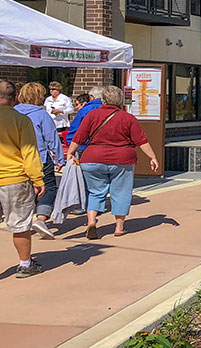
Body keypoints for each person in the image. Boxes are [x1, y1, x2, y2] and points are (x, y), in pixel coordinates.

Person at [66, 85, 158, 238]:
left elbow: (79, 137)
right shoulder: (128, 118)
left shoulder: (92, 115)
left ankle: (91, 223)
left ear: (103, 100)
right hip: (122, 160)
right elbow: (141, 141)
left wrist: (70, 152)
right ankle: (119, 227)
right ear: (120, 101)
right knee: (121, 192)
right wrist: (152, 157)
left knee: (95, 192)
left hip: (92, 158)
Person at [0, 80, 45, 277]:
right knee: (20, 225)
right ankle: (25, 264)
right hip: (15, 179)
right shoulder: (20, 120)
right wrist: (38, 179)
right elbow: (30, 152)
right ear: (15, 98)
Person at [14, 82, 63, 239]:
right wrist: (59, 158)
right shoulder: (42, 115)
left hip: (16, 159)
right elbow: (52, 139)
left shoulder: (13, 113)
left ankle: (23, 221)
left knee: (24, 191)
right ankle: (41, 218)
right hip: (40, 158)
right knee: (49, 188)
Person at [43, 81, 75, 147]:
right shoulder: (48, 99)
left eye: (53, 89)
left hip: (61, 123)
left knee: (60, 143)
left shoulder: (65, 99)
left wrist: (61, 111)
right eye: (50, 89)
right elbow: (45, 109)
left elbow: (71, 110)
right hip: (50, 123)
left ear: (58, 90)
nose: (51, 91)